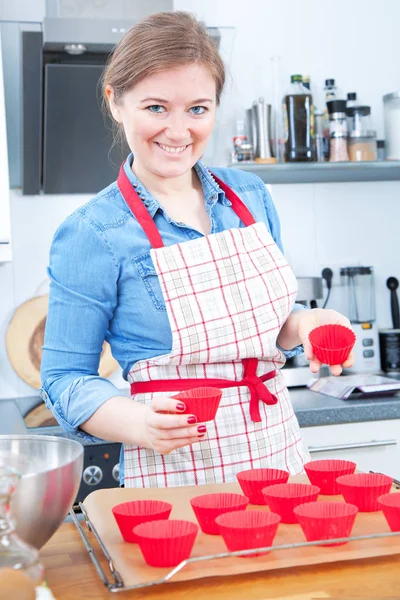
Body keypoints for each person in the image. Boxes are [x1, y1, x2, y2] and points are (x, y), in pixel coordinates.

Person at [39, 11, 354, 488]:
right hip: (178, 476)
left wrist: (307, 324)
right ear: (116, 103)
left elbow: (268, 330)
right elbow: (64, 379)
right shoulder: (93, 233)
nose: (179, 131)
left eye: (198, 109)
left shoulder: (249, 196)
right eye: (156, 107)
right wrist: (138, 422)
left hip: (280, 458)